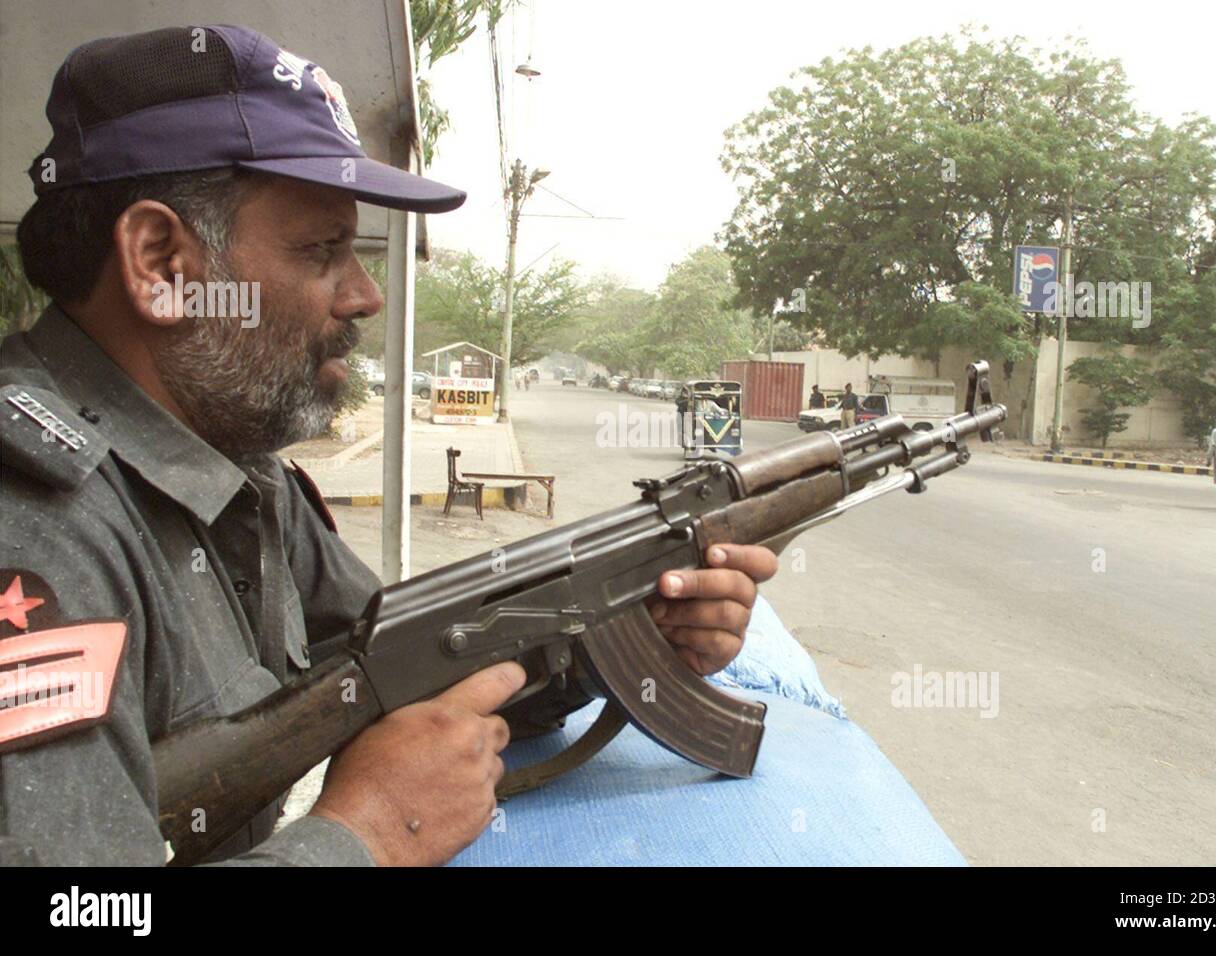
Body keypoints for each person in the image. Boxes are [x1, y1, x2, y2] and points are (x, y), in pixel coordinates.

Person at [0, 25, 777, 866]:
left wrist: (624, 637)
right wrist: (362, 838)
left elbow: (417, 674)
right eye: (324, 251)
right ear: (162, 264)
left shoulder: (230, 467)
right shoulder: (37, 532)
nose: (366, 296)